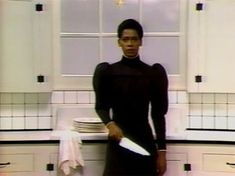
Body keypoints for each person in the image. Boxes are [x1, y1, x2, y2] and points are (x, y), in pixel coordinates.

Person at [93, 19, 168, 176]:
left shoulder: (153, 73)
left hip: (144, 140)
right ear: (119, 42)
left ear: (140, 42)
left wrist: (162, 152)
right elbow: (101, 106)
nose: (130, 44)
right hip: (118, 140)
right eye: (125, 39)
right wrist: (110, 124)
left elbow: (158, 114)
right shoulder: (108, 72)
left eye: (134, 39)